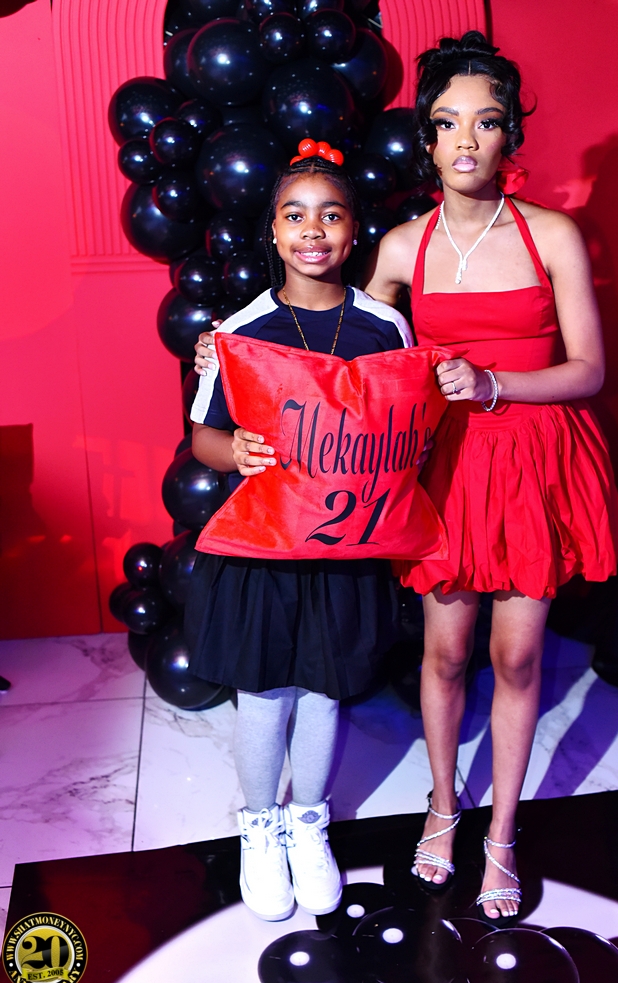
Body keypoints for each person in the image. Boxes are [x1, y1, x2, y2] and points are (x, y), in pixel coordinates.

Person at [195, 33, 618, 926]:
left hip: (533, 462)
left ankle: (501, 835)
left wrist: (497, 384)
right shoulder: (398, 248)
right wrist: (226, 355)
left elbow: (592, 369)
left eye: (487, 122)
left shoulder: (553, 235)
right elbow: (339, 364)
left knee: (517, 657)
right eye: (448, 123)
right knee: (445, 654)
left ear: (509, 136)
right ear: (426, 140)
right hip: (444, 470)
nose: (467, 139)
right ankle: (441, 807)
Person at [187, 147, 413, 923]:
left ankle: (308, 821)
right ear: (274, 233)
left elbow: (405, 430)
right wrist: (236, 452)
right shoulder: (241, 331)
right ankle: (260, 825)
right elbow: (203, 437)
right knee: (265, 692)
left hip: (346, 550)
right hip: (266, 549)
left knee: (324, 689)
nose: (312, 230)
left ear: (353, 231)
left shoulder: (385, 326)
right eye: (295, 215)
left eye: (330, 214)